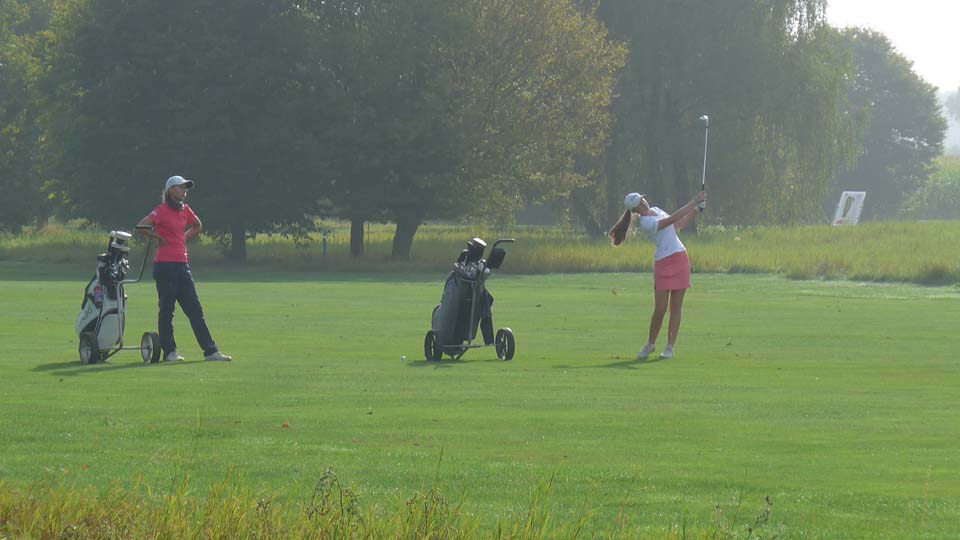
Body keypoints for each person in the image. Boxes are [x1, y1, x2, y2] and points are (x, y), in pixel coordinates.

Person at [136, 175, 232, 362]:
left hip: (182, 265)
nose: (184, 190)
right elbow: (142, 226)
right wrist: (158, 238)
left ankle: (211, 351)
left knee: (195, 309)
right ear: (171, 190)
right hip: (165, 266)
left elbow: (197, 225)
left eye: (185, 188)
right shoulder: (161, 211)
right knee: (167, 310)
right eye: (181, 187)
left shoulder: (185, 210)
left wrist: (185, 237)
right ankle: (170, 352)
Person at [608, 190, 706, 360]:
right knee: (660, 309)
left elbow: (678, 226)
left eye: (642, 198)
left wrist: (697, 211)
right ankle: (651, 344)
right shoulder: (646, 223)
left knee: (676, 308)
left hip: (680, 258)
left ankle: (670, 347)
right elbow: (672, 219)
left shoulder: (657, 209)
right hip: (663, 263)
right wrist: (694, 201)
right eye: (639, 203)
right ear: (635, 210)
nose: (643, 202)